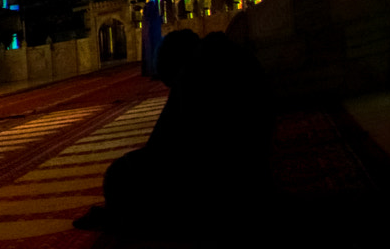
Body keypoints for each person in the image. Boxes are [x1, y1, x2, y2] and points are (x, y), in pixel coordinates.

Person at [75, 30, 271, 236]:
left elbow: (164, 148)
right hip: (253, 175)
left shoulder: (196, 74)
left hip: (224, 188)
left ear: (176, 65)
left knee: (121, 174)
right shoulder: (227, 55)